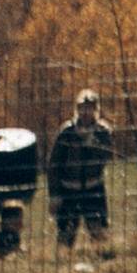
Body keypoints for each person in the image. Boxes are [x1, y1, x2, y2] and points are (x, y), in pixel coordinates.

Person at [47, 91, 114, 249]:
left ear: (96, 110)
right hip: (69, 189)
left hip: (94, 188)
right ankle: (63, 265)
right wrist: (54, 195)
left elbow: (108, 155)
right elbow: (54, 164)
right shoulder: (67, 132)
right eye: (82, 108)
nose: (85, 113)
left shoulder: (102, 131)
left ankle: (102, 262)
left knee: (99, 231)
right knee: (66, 233)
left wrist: (92, 142)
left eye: (89, 108)